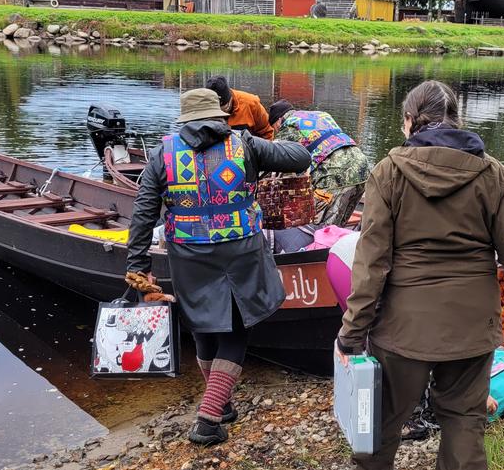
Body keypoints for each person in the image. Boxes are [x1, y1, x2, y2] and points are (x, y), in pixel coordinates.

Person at [334, 81, 504, 470]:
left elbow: (371, 263)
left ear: (409, 121)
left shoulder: (388, 171)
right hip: (472, 324)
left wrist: (352, 331)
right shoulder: (494, 174)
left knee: (386, 410)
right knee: (464, 416)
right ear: (457, 118)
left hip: (404, 325)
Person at [126, 88, 310, 445]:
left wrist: (138, 265)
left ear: (185, 121)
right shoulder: (244, 144)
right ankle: (209, 420)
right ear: (220, 117)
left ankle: (221, 405)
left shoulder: (164, 153)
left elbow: (143, 213)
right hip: (240, 250)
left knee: (204, 325)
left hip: (188, 256)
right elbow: (300, 157)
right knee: (237, 329)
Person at [266, 100, 371, 227]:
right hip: (362, 168)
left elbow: (276, 162)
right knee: (340, 224)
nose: (276, 131)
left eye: (274, 128)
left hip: (335, 175)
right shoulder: (321, 115)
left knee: (320, 229)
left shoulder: (288, 128)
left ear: (278, 120)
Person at [206, 76, 275, 140]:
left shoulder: (250, 104)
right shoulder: (201, 108)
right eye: (216, 111)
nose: (222, 115)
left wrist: (261, 152)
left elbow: (267, 132)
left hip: (249, 148)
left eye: (224, 109)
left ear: (231, 99)